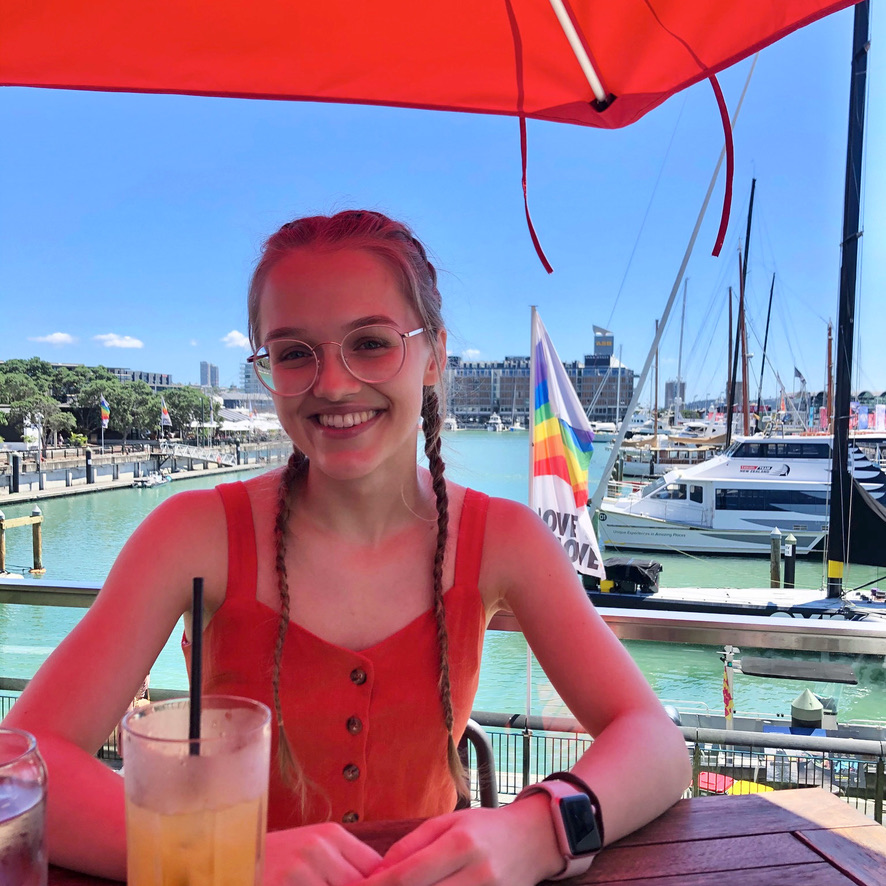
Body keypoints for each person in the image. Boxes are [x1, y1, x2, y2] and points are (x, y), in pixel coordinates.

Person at [4, 210, 690, 884]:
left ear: (433, 356)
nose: (332, 384)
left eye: (369, 343)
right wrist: (214, 860)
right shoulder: (193, 535)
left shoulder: (504, 539)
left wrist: (539, 830)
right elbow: (23, 767)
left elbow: (656, 743)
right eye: (295, 353)